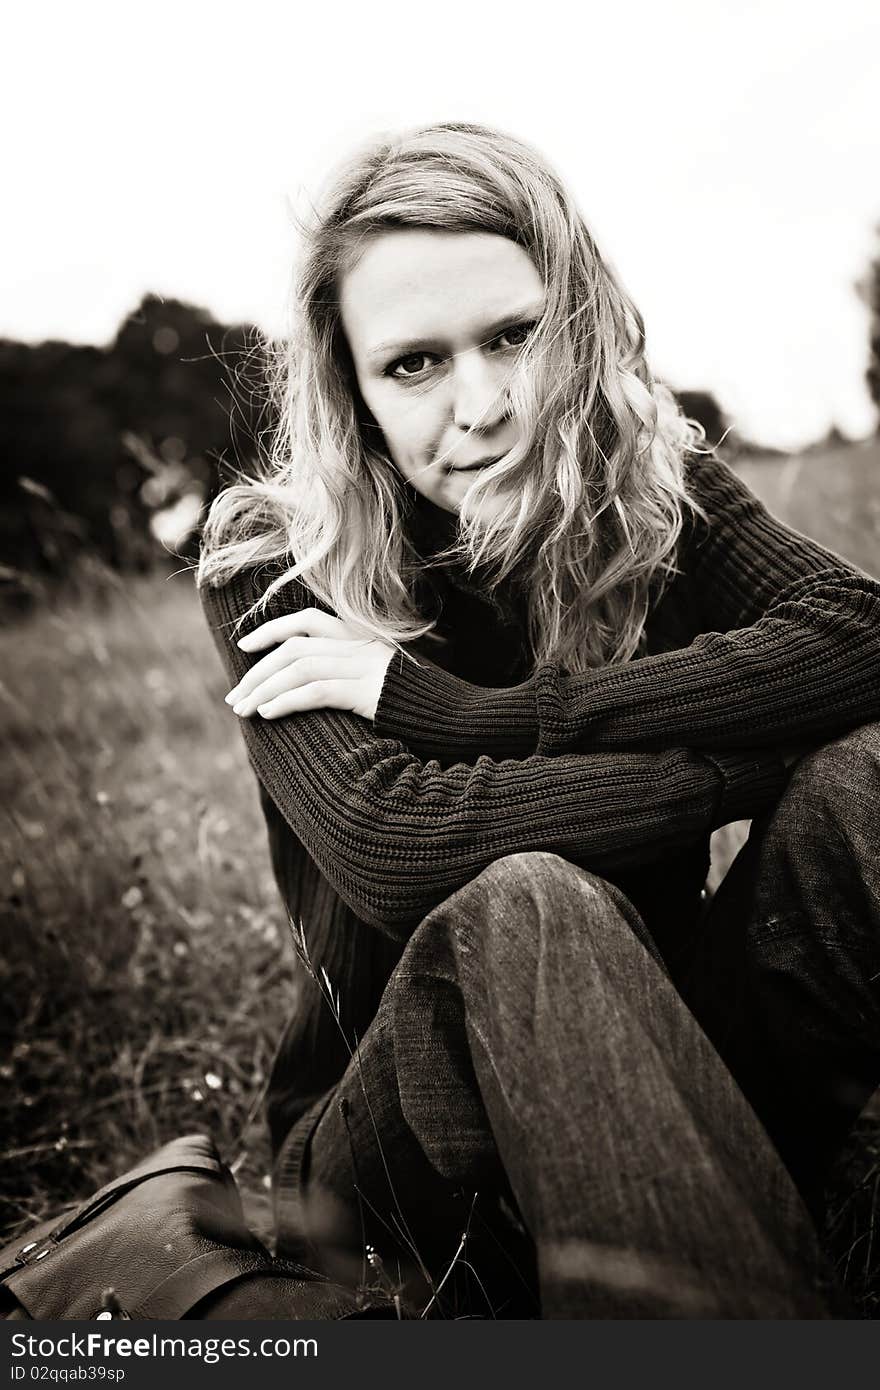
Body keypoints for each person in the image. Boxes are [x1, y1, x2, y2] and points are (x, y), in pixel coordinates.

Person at [197, 122, 880, 1318]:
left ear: (576, 316)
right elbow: (400, 846)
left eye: (515, 336)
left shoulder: (648, 491)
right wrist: (733, 769)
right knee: (521, 900)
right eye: (412, 364)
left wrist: (460, 710)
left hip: (667, 1060)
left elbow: (860, 634)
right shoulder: (273, 559)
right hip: (396, 1161)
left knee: (865, 773)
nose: (487, 405)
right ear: (347, 388)